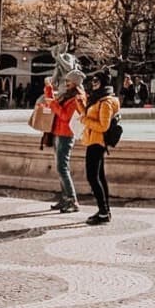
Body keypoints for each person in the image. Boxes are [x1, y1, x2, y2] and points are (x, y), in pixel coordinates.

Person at [79, 71, 120, 225]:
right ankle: (104, 210)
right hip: (93, 140)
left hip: (97, 141)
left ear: (103, 82)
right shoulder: (97, 98)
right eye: (93, 80)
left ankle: (103, 212)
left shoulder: (106, 102)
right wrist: (81, 106)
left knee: (93, 177)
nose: (93, 83)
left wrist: (84, 120)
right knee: (100, 177)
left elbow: (103, 126)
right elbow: (90, 115)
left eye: (96, 80)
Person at [44, 69, 86, 213]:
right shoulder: (68, 95)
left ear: (75, 83)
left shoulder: (77, 98)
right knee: (61, 167)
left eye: (69, 81)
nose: (66, 83)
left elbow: (65, 116)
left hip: (66, 134)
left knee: (62, 167)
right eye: (66, 81)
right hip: (58, 132)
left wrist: (53, 104)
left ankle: (72, 200)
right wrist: (48, 88)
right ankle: (65, 198)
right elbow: (54, 104)